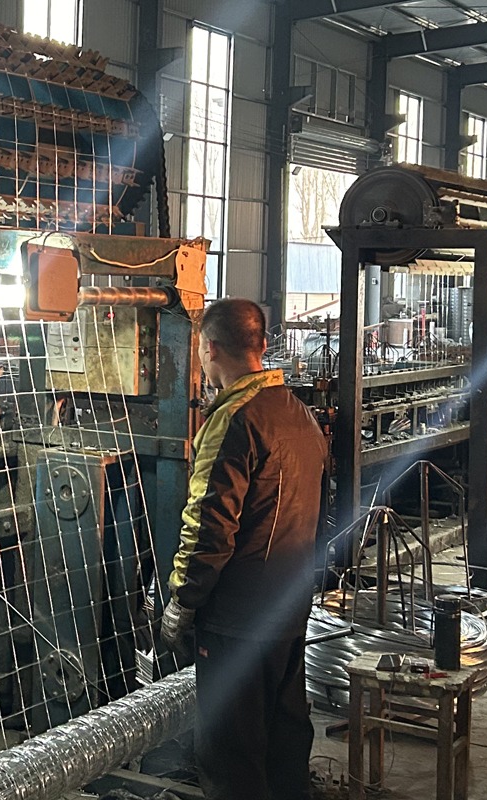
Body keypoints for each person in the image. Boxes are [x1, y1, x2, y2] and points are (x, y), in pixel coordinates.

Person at [160, 297, 325, 800]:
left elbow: (209, 525)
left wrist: (182, 601)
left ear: (209, 348)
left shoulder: (233, 419)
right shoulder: (298, 412)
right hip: (289, 606)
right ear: (261, 345)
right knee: (284, 742)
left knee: (232, 754)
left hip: (237, 616)